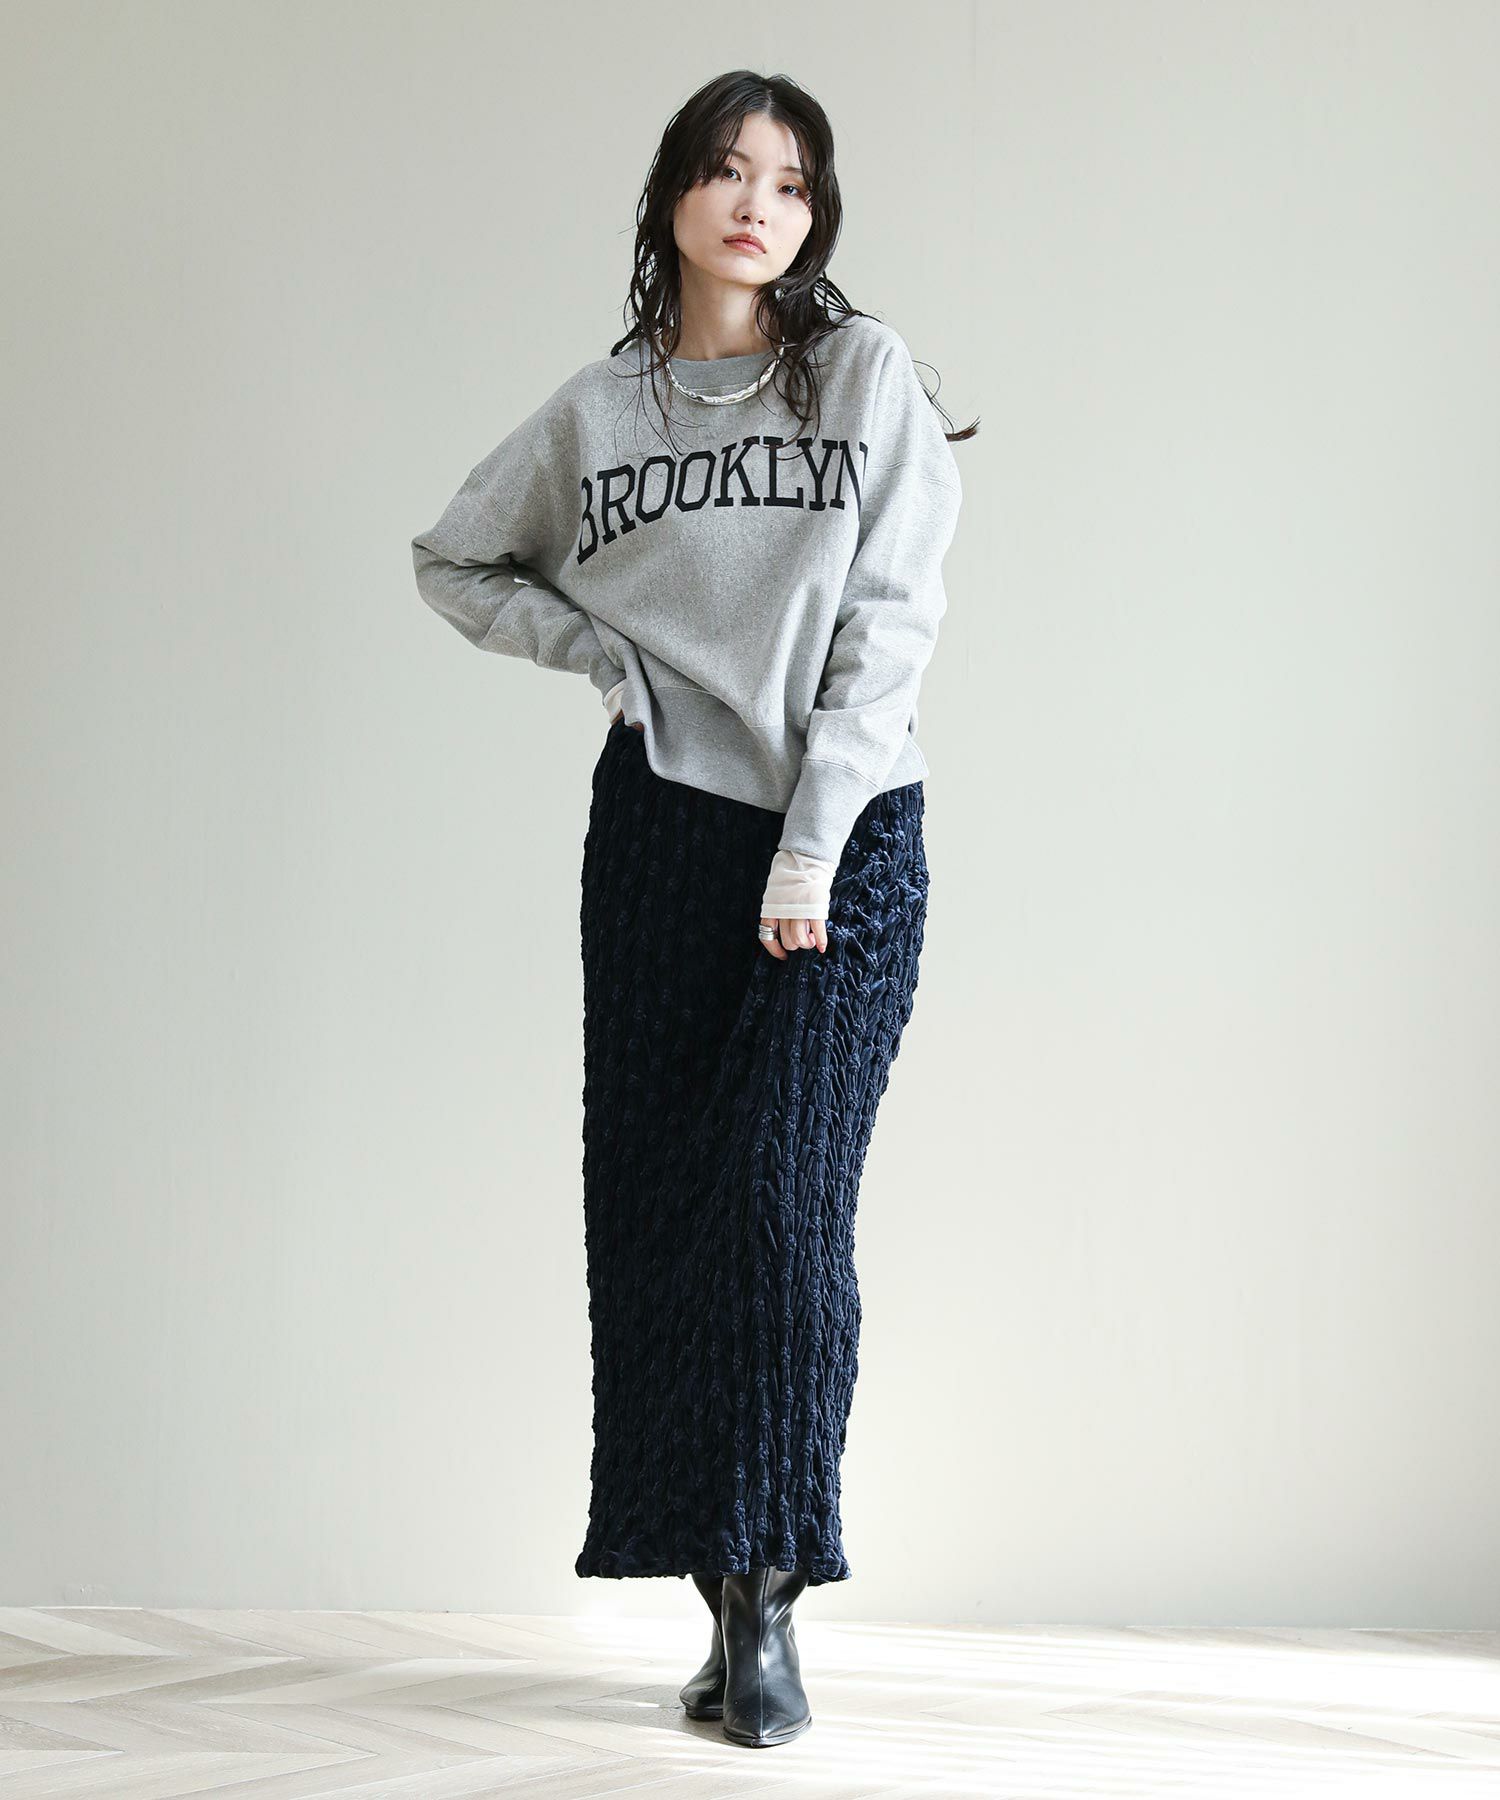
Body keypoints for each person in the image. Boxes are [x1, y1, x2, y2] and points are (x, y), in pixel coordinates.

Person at [411, 69, 974, 1751]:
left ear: (816, 217)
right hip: (663, 840)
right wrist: (604, 654)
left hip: (843, 845)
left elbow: (891, 624)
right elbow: (455, 559)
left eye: (790, 183)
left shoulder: (861, 378)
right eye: (728, 171)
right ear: (673, 195)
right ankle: (726, 1608)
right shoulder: (602, 413)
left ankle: (778, 1598)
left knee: (779, 1220)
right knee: (663, 1222)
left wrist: (810, 848)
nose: (757, 204)